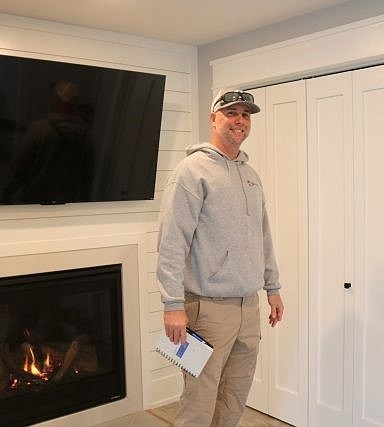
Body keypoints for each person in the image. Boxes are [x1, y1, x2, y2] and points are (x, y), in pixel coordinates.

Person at [156, 89, 284, 426]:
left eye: (245, 114)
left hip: (249, 306)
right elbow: (171, 242)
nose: (239, 120)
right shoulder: (191, 171)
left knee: (234, 396)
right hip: (207, 309)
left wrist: (273, 287)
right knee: (199, 401)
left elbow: (263, 234)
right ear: (214, 119)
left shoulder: (250, 175)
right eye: (231, 113)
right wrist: (172, 305)